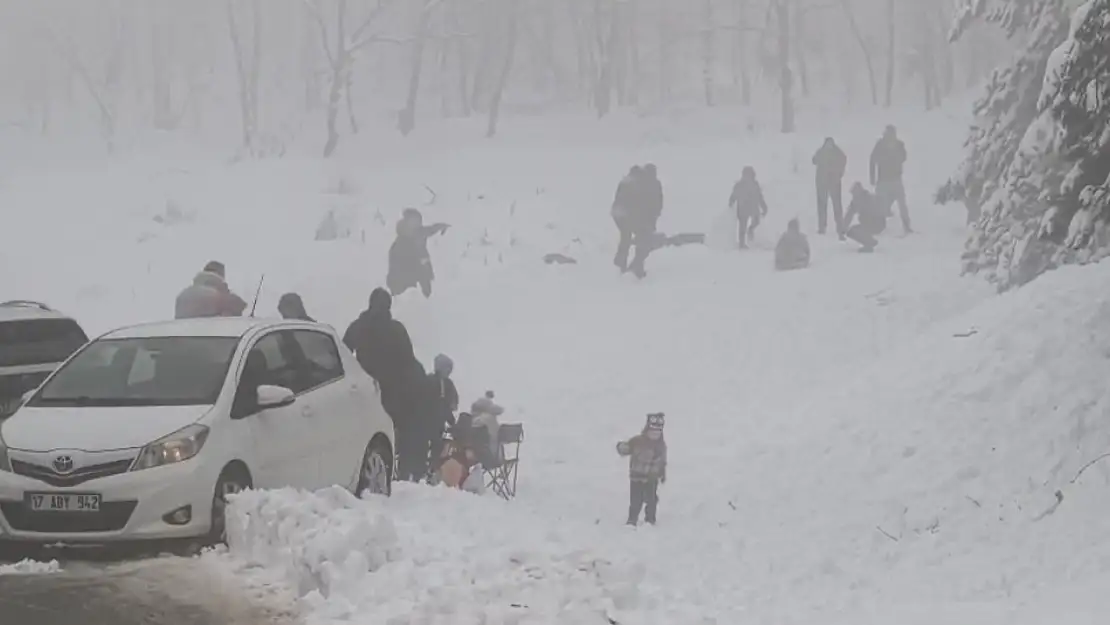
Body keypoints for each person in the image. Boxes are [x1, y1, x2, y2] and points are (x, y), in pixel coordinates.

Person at [342, 287, 427, 480]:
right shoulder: (396, 329)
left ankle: (363, 472)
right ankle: (400, 473)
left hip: (366, 390)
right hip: (395, 392)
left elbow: (344, 355)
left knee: (366, 433)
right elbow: (408, 361)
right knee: (399, 432)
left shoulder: (359, 326)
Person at [616, 412, 667, 526]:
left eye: (657, 433)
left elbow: (662, 462)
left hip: (652, 479)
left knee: (652, 500)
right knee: (635, 501)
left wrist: (662, 474)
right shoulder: (638, 441)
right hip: (636, 477)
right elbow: (628, 448)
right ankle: (632, 519)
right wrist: (622, 448)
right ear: (646, 430)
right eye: (652, 432)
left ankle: (650, 520)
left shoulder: (661, 446)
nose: (654, 435)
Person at [387, 208, 450, 299]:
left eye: (418, 221)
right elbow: (398, 269)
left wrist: (440, 227)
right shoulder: (400, 245)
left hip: (421, 285)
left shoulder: (418, 233)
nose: (417, 224)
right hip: (405, 289)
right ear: (407, 223)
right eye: (413, 221)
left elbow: (430, 230)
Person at [611, 165, 653, 278]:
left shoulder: (625, 182)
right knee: (639, 237)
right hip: (627, 215)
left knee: (626, 237)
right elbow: (637, 203)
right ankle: (635, 266)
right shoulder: (636, 184)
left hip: (618, 214)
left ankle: (621, 261)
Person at [870, 125, 912, 234]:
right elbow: (872, 160)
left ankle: (907, 226)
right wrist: (872, 177)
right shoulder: (880, 145)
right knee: (880, 205)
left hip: (896, 178)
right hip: (883, 179)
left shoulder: (899, 144)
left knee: (902, 204)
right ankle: (877, 226)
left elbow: (904, 157)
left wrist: (896, 154)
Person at [425, 353, 459, 481]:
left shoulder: (427, 379)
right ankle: (432, 471)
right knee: (437, 447)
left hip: (423, 421)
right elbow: (444, 405)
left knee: (426, 447)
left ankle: (424, 470)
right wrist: (452, 423)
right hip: (436, 422)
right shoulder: (445, 384)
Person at [174, 261, 248, 319]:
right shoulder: (219, 296)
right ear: (220, 275)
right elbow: (238, 305)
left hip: (182, 336)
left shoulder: (183, 294)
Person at [812, 137, 847, 237]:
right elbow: (814, 160)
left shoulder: (838, 153)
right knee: (822, 205)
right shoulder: (821, 152)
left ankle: (840, 226)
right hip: (822, 183)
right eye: (827, 144)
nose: (828, 146)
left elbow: (843, 160)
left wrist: (840, 172)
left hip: (834, 183)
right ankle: (822, 227)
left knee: (837, 205)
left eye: (830, 144)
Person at [728, 167, 768, 249]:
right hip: (742, 208)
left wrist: (764, 207)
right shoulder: (739, 185)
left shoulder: (755, 184)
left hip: (753, 207)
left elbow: (760, 197)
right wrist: (731, 202)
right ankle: (742, 244)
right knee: (742, 226)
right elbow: (734, 195)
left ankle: (750, 230)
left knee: (756, 221)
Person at [842, 182, 887, 252]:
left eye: (854, 194)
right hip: (878, 223)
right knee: (855, 229)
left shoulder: (860, 200)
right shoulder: (867, 197)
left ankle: (869, 243)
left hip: (875, 223)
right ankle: (869, 241)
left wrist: (844, 227)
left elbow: (850, 214)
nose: (853, 196)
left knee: (852, 231)